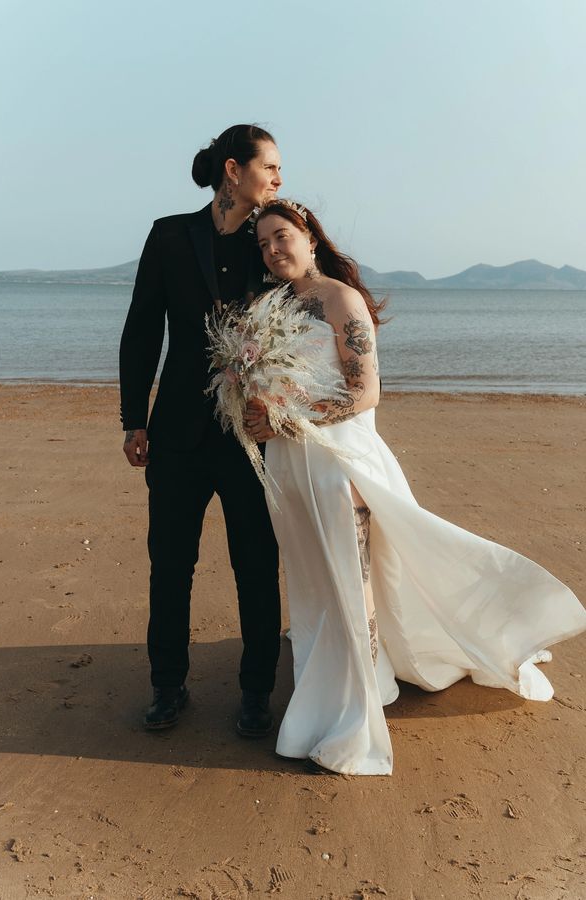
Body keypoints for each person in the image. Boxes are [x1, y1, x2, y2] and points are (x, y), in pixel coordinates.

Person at [245, 199, 586, 775]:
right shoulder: (270, 306)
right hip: (287, 468)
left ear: (309, 238)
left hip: (338, 464)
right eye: (262, 243)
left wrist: (284, 417)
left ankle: (360, 699)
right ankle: (343, 670)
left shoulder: (340, 300)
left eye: (281, 236)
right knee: (311, 582)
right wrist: (252, 406)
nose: (273, 250)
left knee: (354, 582)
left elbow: (365, 392)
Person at [119, 124, 283, 736]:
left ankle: (256, 692)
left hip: (251, 434)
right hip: (178, 433)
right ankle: (167, 687)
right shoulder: (168, 235)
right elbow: (142, 330)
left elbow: (305, 319)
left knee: (256, 565)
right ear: (233, 171)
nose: (279, 179)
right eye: (271, 166)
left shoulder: (271, 240)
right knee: (170, 563)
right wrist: (133, 417)